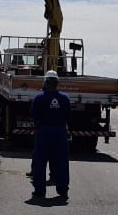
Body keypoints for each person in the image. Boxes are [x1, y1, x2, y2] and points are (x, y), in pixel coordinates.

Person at [29, 70, 70, 201]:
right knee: (62, 162)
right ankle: (63, 190)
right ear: (58, 83)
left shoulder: (39, 98)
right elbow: (68, 116)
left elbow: (34, 116)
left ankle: (39, 190)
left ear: (45, 82)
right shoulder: (64, 98)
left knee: (40, 161)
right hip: (60, 132)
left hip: (43, 131)